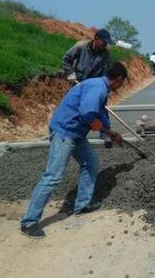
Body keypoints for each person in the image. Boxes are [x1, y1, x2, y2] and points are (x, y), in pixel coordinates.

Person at [20, 62, 128, 238]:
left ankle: (82, 204)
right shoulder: (97, 87)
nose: (122, 85)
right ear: (119, 79)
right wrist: (97, 125)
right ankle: (29, 222)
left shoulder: (100, 88)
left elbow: (99, 117)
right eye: (123, 82)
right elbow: (87, 114)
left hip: (76, 134)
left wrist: (109, 133)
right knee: (53, 176)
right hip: (65, 132)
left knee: (90, 162)